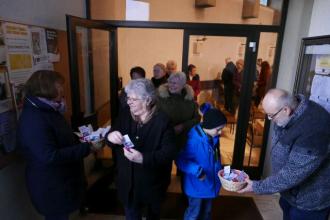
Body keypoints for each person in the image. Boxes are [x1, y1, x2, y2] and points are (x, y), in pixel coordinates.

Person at [238, 89, 330, 220]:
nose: (270, 119)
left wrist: (256, 186)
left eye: (271, 115)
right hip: (289, 193)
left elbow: (292, 174)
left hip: (308, 203)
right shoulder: (289, 112)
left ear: (286, 110)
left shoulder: (314, 128)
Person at [17, 70, 95, 220]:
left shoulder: (48, 109)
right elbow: (49, 156)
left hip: (60, 180)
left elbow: (59, 136)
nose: (62, 89)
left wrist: (80, 139)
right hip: (50, 185)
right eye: (59, 86)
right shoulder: (34, 119)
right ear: (46, 88)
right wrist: (87, 148)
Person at [106, 78, 177, 220]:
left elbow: (168, 153)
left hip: (153, 183)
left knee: (153, 215)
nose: (128, 102)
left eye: (133, 99)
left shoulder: (163, 121)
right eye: (128, 98)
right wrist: (110, 136)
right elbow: (113, 134)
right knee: (131, 216)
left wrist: (143, 158)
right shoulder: (125, 114)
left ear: (148, 100)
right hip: (128, 184)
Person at [176, 108, 227, 220]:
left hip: (210, 184)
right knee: (194, 213)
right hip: (196, 187)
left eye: (221, 129)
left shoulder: (214, 137)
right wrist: (196, 170)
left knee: (207, 212)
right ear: (208, 126)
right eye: (218, 129)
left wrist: (220, 169)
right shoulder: (193, 141)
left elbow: (215, 158)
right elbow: (180, 160)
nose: (220, 132)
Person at [158, 72, 200, 152]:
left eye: (175, 83)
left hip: (185, 140)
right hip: (165, 139)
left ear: (183, 85)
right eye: (170, 82)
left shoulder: (189, 98)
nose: (171, 85)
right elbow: (155, 117)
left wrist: (183, 126)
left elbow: (197, 118)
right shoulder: (161, 98)